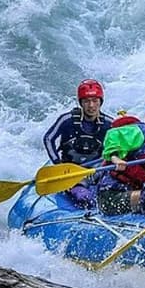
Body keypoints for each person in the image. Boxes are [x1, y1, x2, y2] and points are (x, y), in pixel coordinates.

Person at [42, 79, 113, 208]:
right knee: (83, 197)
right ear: (81, 103)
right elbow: (48, 138)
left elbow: (118, 148)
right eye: (87, 101)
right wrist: (58, 164)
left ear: (100, 102)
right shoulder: (67, 120)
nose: (91, 106)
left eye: (95, 101)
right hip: (70, 171)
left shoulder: (109, 124)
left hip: (95, 170)